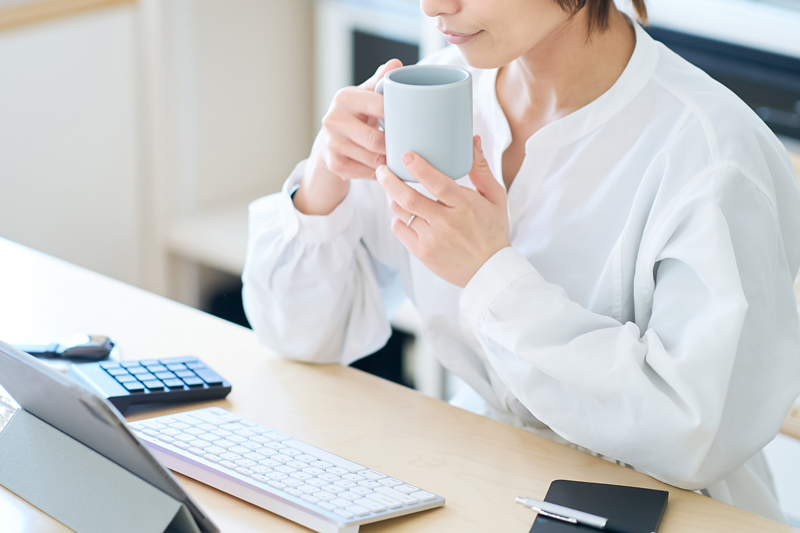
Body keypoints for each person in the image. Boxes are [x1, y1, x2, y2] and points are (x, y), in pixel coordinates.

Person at [242, 0, 800, 522]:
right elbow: (298, 335)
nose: (433, 5)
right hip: (483, 476)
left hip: (663, 511)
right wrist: (324, 176)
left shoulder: (710, 154)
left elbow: (692, 438)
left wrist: (491, 276)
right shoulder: (432, 102)